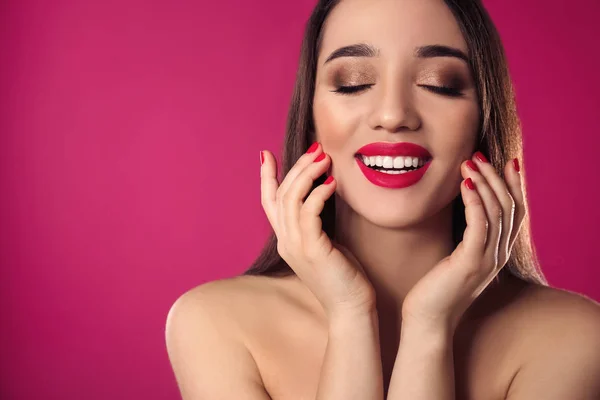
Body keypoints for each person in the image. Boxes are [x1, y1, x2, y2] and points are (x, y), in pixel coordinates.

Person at [165, 0, 600, 398]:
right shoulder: (216, 324)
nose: (393, 115)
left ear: (484, 120)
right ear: (311, 119)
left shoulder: (574, 338)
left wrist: (429, 326)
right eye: (354, 83)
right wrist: (349, 314)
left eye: (440, 83)